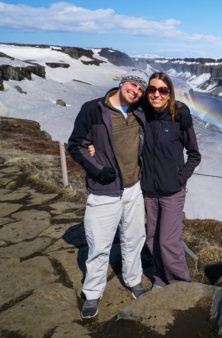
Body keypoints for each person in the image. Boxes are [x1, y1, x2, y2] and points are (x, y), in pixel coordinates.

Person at [67, 70, 149, 319]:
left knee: (134, 238)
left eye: (140, 89)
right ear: (122, 83)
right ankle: (92, 294)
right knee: (99, 245)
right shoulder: (93, 109)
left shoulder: (139, 111)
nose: (135, 91)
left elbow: (166, 106)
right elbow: (76, 144)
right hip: (104, 192)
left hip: (134, 188)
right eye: (133, 84)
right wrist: (97, 169)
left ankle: (134, 280)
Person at [141, 72, 201, 287]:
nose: (156, 94)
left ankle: (180, 284)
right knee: (151, 239)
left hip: (172, 192)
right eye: (152, 89)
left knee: (168, 241)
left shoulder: (178, 117)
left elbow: (195, 155)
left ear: (169, 94)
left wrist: (180, 179)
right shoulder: (142, 116)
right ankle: (159, 278)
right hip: (148, 191)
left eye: (162, 90)